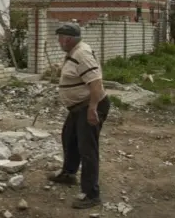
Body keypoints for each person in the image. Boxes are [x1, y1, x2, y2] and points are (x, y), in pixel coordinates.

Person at [47, 23, 111, 209]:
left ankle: (91, 194)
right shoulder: (74, 52)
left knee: (88, 149)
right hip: (78, 108)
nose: (58, 41)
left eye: (60, 38)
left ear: (68, 39)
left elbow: (96, 83)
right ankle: (68, 173)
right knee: (69, 137)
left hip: (89, 106)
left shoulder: (81, 53)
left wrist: (92, 109)